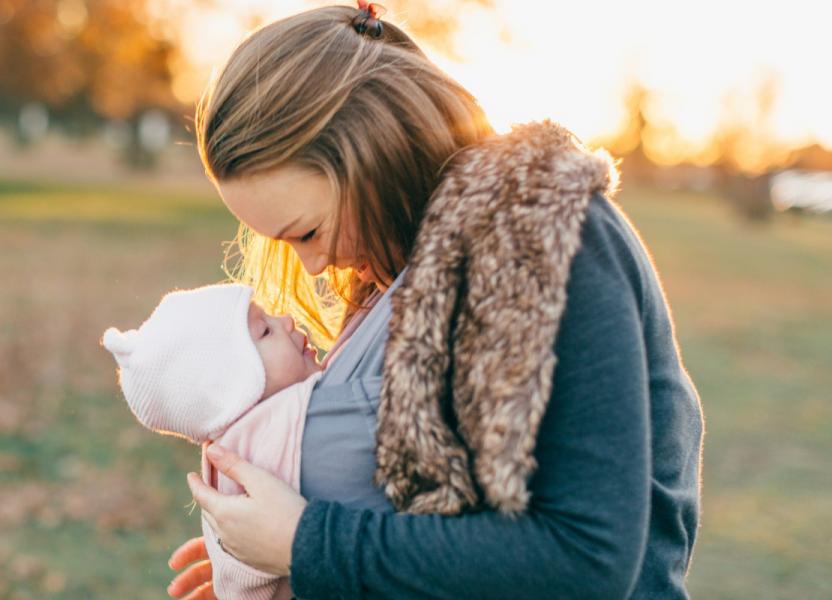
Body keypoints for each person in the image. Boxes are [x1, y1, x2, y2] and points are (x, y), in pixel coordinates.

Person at [166, 3, 705, 599]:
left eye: (308, 233)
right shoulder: (402, 267)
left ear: (369, 153)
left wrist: (306, 542)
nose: (312, 266)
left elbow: (585, 559)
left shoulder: (547, 235)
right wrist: (278, 566)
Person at [101, 283, 323, 600]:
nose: (286, 320)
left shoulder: (260, 428)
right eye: (265, 331)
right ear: (234, 391)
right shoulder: (260, 443)